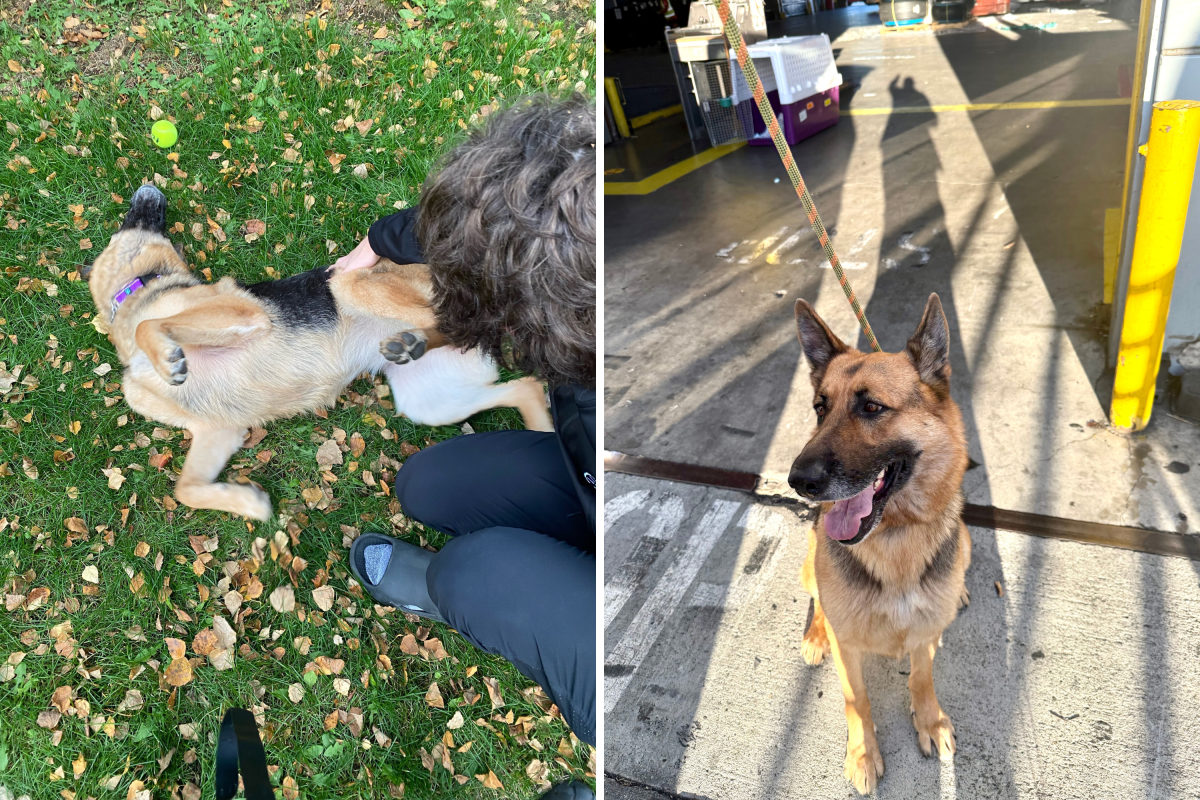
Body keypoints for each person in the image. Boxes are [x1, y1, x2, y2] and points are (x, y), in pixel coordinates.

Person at [333, 94, 596, 798]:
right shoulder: (582, 241)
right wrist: (386, 240)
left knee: (474, 569)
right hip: (590, 475)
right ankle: (529, 569)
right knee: (427, 487)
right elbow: (514, 202)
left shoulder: (595, 358)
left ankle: (455, 590)